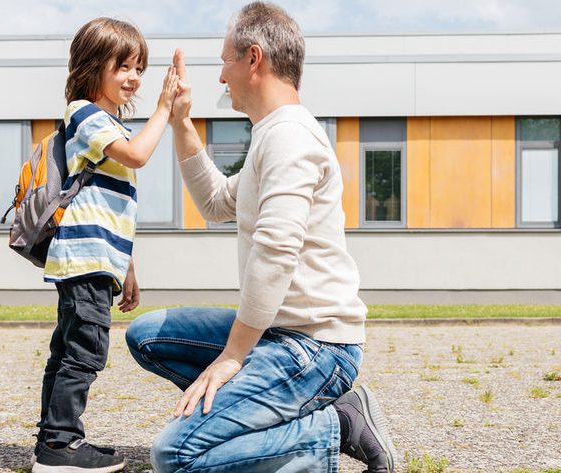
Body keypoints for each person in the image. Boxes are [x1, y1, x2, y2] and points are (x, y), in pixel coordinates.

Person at [125, 2, 397, 472]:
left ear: (254, 59)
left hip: (316, 348)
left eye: (225, 61)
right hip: (277, 333)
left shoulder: (290, 138)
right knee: (147, 335)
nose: (220, 77)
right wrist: (181, 123)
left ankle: (334, 427)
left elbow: (276, 253)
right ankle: (259, 415)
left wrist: (233, 356)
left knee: (174, 456)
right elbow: (215, 203)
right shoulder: (270, 136)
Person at [33, 17, 178, 473]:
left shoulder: (106, 121)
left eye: (140, 68)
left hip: (96, 258)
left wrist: (126, 267)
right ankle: (60, 447)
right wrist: (164, 110)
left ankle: (54, 442)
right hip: (82, 256)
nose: (134, 77)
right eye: (124, 67)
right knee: (85, 350)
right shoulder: (85, 113)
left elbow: (108, 207)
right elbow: (138, 154)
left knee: (70, 349)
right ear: (95, 64)